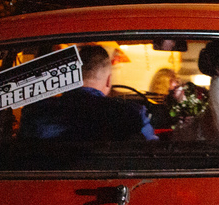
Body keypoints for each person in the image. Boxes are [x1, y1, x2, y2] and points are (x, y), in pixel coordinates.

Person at [19, 44, 158, 142]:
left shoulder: (36, 112)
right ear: (109, 80)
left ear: (69, 79)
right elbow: (154, 154)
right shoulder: (132, 115)